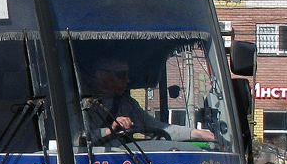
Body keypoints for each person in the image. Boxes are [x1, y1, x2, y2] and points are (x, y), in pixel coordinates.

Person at [86, 57, 215, 143]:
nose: (127, 80)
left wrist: (197, 133)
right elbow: (74, 139)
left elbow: (155, 127)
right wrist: (109, 130)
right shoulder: (80, 103)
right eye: (121, 75)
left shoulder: (126, 103)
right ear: (101, 75)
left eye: (128, 75)